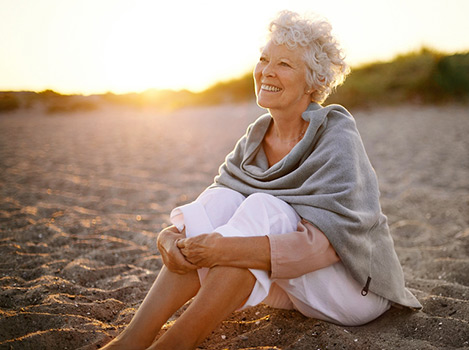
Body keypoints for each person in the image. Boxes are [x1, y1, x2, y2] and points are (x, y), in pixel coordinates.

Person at [101, 10, 421, 350]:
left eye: (284, 64)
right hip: (291, 286)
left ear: (313, 82)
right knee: (225, 199)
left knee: (265, 207)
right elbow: (212, 208)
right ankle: (132, 339)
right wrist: (169, 239)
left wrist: (223, 248)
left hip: (354, 288)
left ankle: (176, 343)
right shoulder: (254, 138)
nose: (267, 71)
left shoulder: (336, 135)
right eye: (264, 59)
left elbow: (324, 248)